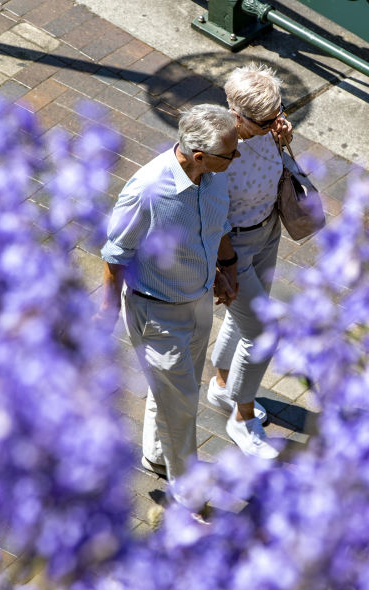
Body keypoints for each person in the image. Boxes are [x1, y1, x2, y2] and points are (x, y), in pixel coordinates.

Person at [99, 104, 241, 484]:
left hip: (198, 302)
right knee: (181, 412)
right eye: (231, 152)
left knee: (179, 392)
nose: (237, 156)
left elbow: (217, 223)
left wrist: (225, 269)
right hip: (158, 315)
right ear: (199, 156)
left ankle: (156, 456)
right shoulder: (147, 191)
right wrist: (107, 313)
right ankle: (187, 490)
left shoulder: (214, 175)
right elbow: (115, 255)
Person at [206, 63, 293, 460]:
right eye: (266, 120)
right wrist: (223, 266)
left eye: (279, 114)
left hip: (267, 230)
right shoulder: (216, 145)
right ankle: (241, 417)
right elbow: (212, 212)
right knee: (262, 332)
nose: (275, 123)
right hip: (233, 249)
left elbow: (275, 155)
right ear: (237, 115)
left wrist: (283, 134)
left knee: (243, 323)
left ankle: (223, 384)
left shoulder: (268, 126)